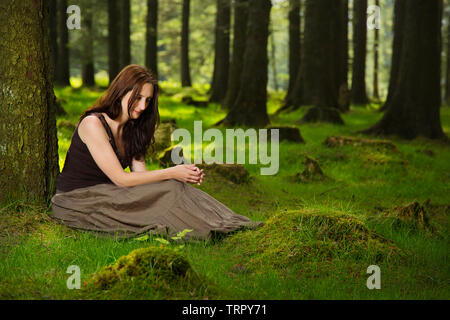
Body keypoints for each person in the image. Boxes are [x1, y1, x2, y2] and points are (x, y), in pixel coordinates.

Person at [51, 64, 262, 241]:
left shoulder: (133, 129)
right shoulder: (93, 124)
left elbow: (140, 178)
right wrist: (171, 172)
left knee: (172, 187)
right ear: (122, 91)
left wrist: (181, 175)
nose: (143, 106)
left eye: (148, 100)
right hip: (78, 201)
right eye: (138, 97)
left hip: (110, 193)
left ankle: (232, 223)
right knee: (169, 187)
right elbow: (121, 179)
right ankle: (212, 229)